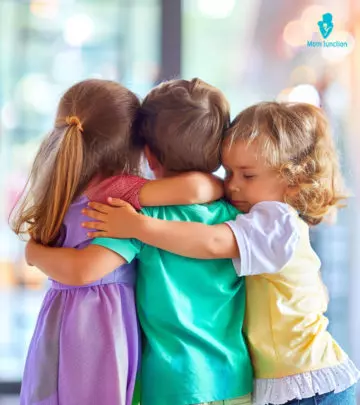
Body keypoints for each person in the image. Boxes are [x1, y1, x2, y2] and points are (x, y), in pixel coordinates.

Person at [81, 102, 360, 405]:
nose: (232, 186)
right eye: (228, 172)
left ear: (292, 182)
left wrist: (138, 226)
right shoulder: (262, 219)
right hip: (285, 381)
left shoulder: (277, 221)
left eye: (247, 175)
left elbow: (212, 243)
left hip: (310, 384)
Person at [26, 78, 254, 405]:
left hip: (172, 382)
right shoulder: (235, 211)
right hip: (233, 378)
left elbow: (84, 269)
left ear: (149, 154)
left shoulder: (135, 217)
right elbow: (201, 189)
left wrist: (32, 251)